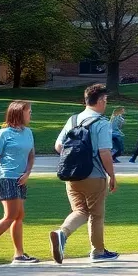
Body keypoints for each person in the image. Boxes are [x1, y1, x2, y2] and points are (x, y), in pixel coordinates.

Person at [49, 84, 119, 264]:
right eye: (105, 100)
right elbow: (105, 152)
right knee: (96, 214)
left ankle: (62, 232)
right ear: (101, 101)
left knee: (80, 210)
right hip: (94, 174)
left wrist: (75, 158)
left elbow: (58, 146)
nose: (106, 104)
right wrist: (112, 175)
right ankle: (98, 251)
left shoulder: (73, 120)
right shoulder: (102, 123)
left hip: (72, 174)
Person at [0, 100, 39, 265]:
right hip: (6, 177)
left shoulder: (28, 132)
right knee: (11, 215)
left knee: (19, 216)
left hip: (21, 178)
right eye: (28, 112)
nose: (30, 115)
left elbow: (31, 156)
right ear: (18, 113)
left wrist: (27, 173)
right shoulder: (3, 134)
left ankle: (19, 254)